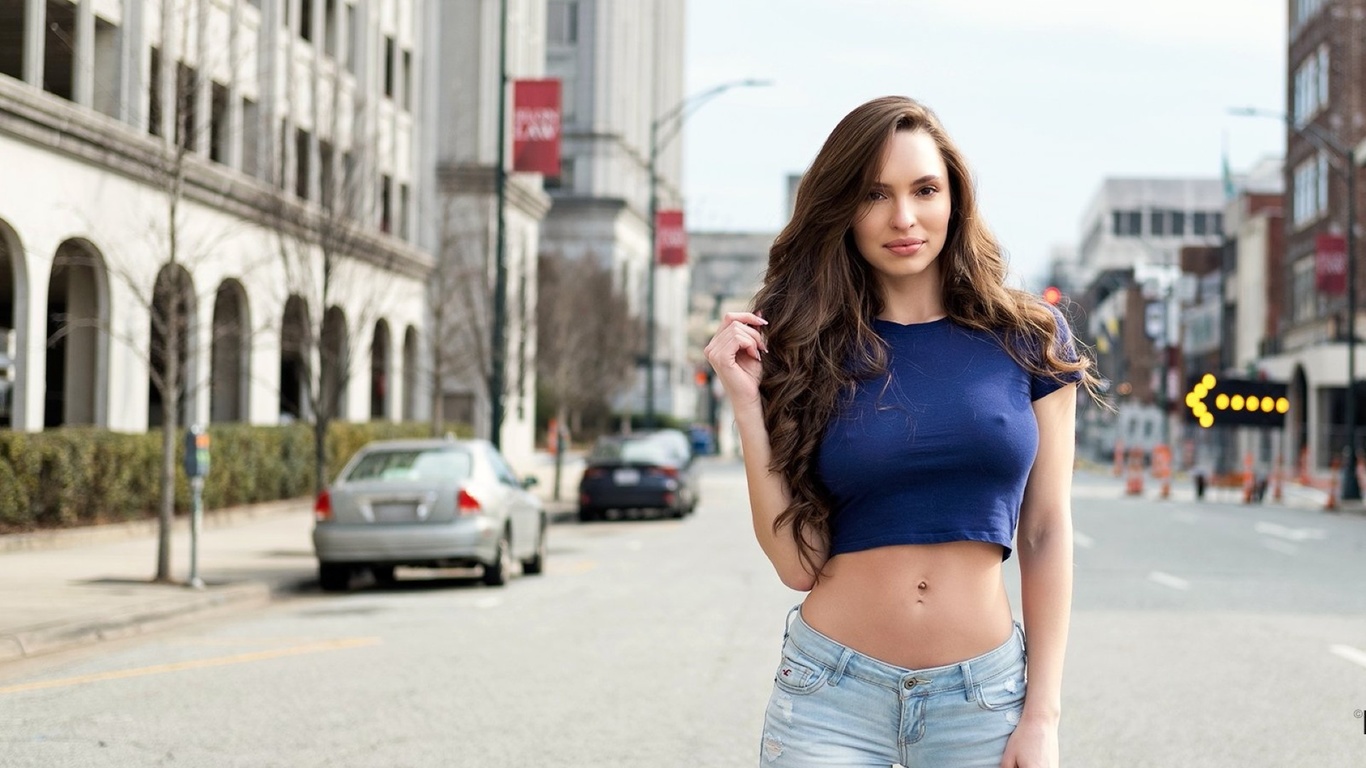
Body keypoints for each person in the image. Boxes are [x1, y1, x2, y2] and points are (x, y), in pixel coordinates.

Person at [703, 96, 1097, 767]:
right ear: (844, 210)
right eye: (875, 195)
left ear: (956, 198)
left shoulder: (1029, 337)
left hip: (983, 705)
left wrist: (1044, 714)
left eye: (925, 190)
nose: (904, 218)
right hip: (829, 697)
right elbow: (797, 565)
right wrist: (746, 406)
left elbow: (1045, 529)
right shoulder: (805, 346)